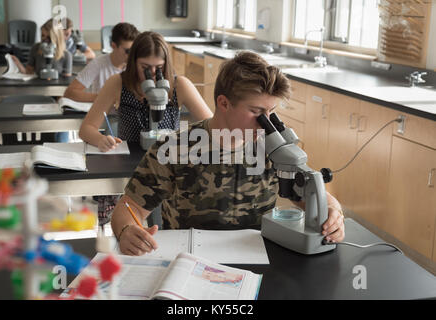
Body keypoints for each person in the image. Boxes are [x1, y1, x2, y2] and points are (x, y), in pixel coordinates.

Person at [110, 51, 345, 256]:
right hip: (189, 260)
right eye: (257, 111)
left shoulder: (274, 148)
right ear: (224, 103)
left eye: (271, 111)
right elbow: (129, 208)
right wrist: (127, 231)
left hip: (258, 258)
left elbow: (312, 191)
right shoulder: (174, 149)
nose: (267, 123)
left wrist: (333, 213)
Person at [79, 31, 213, 224]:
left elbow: (211, 126)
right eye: (145, 67)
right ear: (133, 63)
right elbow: (87, 128)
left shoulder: (179, 85)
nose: (152, 74)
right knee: (131, 226)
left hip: (167, 167)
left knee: (166, 225)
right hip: (129, 170)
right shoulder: (118, 83)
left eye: (159, 68)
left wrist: (188, 142)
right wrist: (101, 139)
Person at [64, 22, 139, 102]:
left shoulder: (137, 65)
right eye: (128, 51)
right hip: (103, 113)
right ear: (113, 46)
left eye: (134, 51)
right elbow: (69, 93)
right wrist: (105, 98)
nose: (132, 56)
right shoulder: (98, 64)